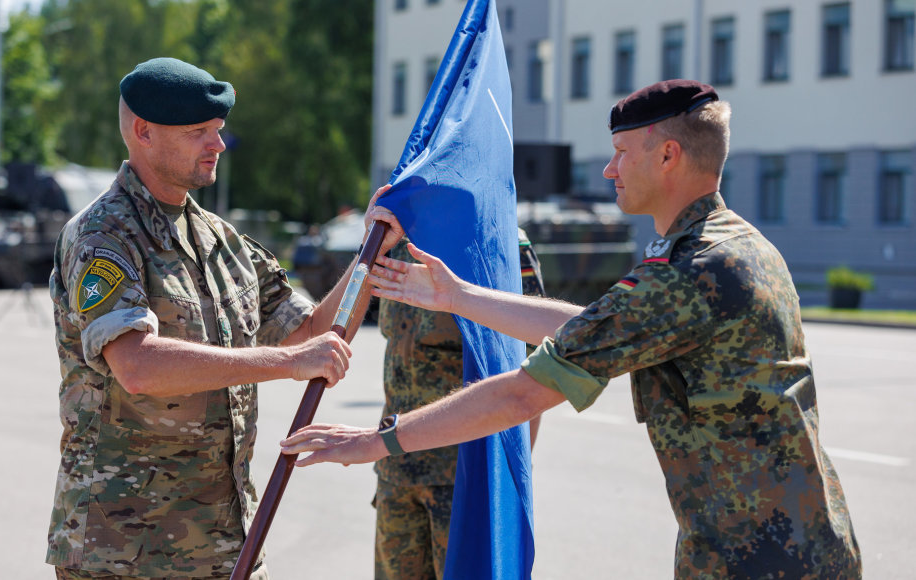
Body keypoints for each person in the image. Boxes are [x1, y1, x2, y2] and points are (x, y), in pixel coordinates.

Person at [281, 80, 863, 578]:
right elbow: (590, 329)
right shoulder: (734, 247)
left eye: (619, 152)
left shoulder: (694, 271)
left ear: (667, 156)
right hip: (783, 541)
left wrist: (372, 442)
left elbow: (524, 390)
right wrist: (458, 296)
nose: (609, 169)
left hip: (760, 555)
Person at [45, 57, 403, 579]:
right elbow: (138, 366)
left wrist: (370, 257)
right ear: (143, 132)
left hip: (223, 542)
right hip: (124, 550)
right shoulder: (103, 236)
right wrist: (287, 362)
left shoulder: (223, 241)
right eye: (199, 133)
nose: (218, 145)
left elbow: (313, 334)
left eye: (218, 131)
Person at [374, 229, 546, 580]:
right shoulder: (395, 240)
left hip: (463, 479)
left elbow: (535, 368)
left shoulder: (497, 238)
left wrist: (507, 479)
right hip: (396, 472)